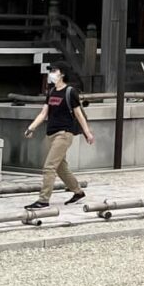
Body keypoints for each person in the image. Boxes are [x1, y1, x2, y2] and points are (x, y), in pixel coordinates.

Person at [23, 66, 94, 210]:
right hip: (51, 133)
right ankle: (78, 192)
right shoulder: (51, 91)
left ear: (62, 74)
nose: (51, 74)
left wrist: (87, 133)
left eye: (54, 71)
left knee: (49, 167)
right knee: (61, 167)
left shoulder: (70, 92)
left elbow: (79, 114)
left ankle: (43, 200)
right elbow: (44, 113)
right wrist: (31, 128)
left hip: (64, 133)